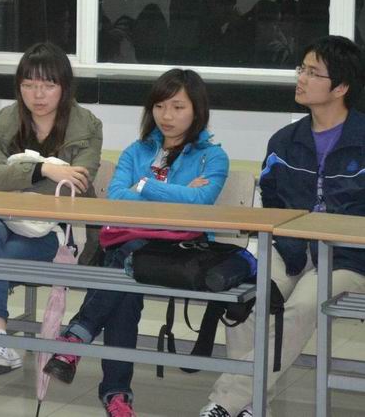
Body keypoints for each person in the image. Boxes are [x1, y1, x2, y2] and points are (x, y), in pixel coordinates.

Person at [44, 68, 229, 417]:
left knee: (122, 265)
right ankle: (115, 394)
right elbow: (117, 198)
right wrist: (175, 193)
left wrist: (143, 186)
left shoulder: (212, 157)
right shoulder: (136, 151)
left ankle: (77, 339)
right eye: (160, 106)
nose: (167, 116)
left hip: (178, 253)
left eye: (178, 107)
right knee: (125, 285)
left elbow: (200, 203)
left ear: (197, 111)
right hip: (131, 246)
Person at [200, 36, 365, 417]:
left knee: (302, 305)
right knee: (246, 301)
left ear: (341, 87)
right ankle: (253, 407)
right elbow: (271, 197)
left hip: (349, 259)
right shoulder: (285, 141)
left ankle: (227, 401)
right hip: (291, 249)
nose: (301, 78)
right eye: (301, 69)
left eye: (313, 72)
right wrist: (288, 238)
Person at [0, 42, 104, 417]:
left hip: (54, 237)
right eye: (29, 84)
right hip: (0, 226)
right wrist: (44, 169)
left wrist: (18, 175)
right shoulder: (6, 120)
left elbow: (77, 184)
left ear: (64, 87)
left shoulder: (87, 126)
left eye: (48, 85)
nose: (38, 94)